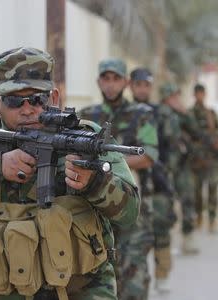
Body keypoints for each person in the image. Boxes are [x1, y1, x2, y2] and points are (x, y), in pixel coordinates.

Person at [0, 47, 140, 300]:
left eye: (37, 100)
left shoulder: (85, 137)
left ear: (54, 98)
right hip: (5, 291)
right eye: (14, 101)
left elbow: (130, 212)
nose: (27, 109)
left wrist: (95, 183)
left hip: (83, 291)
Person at [79, 59, 159, 300]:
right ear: (98, 82)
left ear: (126, 82)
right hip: (97, 209)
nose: (111, 85)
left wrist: (106, 166)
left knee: (133, 274)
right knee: (98, 275)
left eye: (116, 79)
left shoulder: (142, 114)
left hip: (134, 207)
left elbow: (148, 156)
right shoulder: (87, 116)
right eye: (106, 79)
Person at [129, 68, 177, 292]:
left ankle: (163, 273)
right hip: (132, 185)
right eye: (138, 84)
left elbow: (171, 148)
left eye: (146, 85)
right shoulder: (126, 113)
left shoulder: (161, 114)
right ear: (132, 86)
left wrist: (166, 174)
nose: (141, 89)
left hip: (157, 181)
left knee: (161, 229)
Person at [157, 82, 202, 254]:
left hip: (181, 164)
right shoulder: (158, 113)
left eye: (177, 96)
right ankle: (163, 241)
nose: (176, 99)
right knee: (165, 203)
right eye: (173, 96)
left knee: (188, 199)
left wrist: (184, 113)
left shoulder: (181, 114)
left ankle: (188, 238)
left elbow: (196, 131)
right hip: (164, 166)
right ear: (166, 97)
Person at [189, 83, 218, 234]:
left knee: (213, 189)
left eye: (202, 93)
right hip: (196, 160)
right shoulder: (189, 114)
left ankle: (212, 219)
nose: (200, 96)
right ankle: (198, 216)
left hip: (211, 159)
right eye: (197, 93)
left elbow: (217, 134)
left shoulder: (211, 113)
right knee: (197, 191)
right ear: (194, 94)